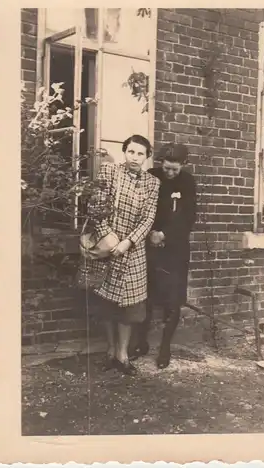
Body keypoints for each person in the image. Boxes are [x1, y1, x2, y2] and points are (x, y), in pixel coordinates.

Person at [82, 135, 160, 376]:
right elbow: (96, 207)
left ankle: (122, 354)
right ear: (125, 152)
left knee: (128, 307)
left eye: (140, 154)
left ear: (147, 157)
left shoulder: (152, 183)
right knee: (106, 304)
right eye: (131, 152)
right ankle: (109, 350)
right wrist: (110, 239)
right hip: (107, 248)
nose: (134, 158)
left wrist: (128, 242)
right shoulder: (110, 171)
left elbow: (148, 218)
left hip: (133, 252)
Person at [130, 143, 197, 369]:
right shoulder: (151, 177)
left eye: (174, 169)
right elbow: (141, 208)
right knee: (145, 296)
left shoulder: (188, 183)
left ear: (183, 165)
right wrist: (150, 234)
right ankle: (141, 342)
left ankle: (165, 347)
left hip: (175, 249)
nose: (169, 173)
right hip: (150, 246)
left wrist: (165, 234)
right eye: (166, 168)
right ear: (160, 163)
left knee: (172, 301)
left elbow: (188, 218)